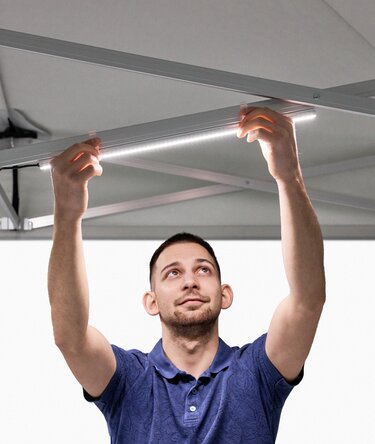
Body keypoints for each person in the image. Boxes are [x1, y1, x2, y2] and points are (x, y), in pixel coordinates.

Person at [48, 107, 326, 443]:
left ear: (225, 294)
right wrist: (67, 216)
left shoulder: (256, 373)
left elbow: (308, 300)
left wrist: (289, 175)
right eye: (172, 273)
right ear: (151, 301)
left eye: (203, 270)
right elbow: (70, 337)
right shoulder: (128, 380)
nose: (190, 281)